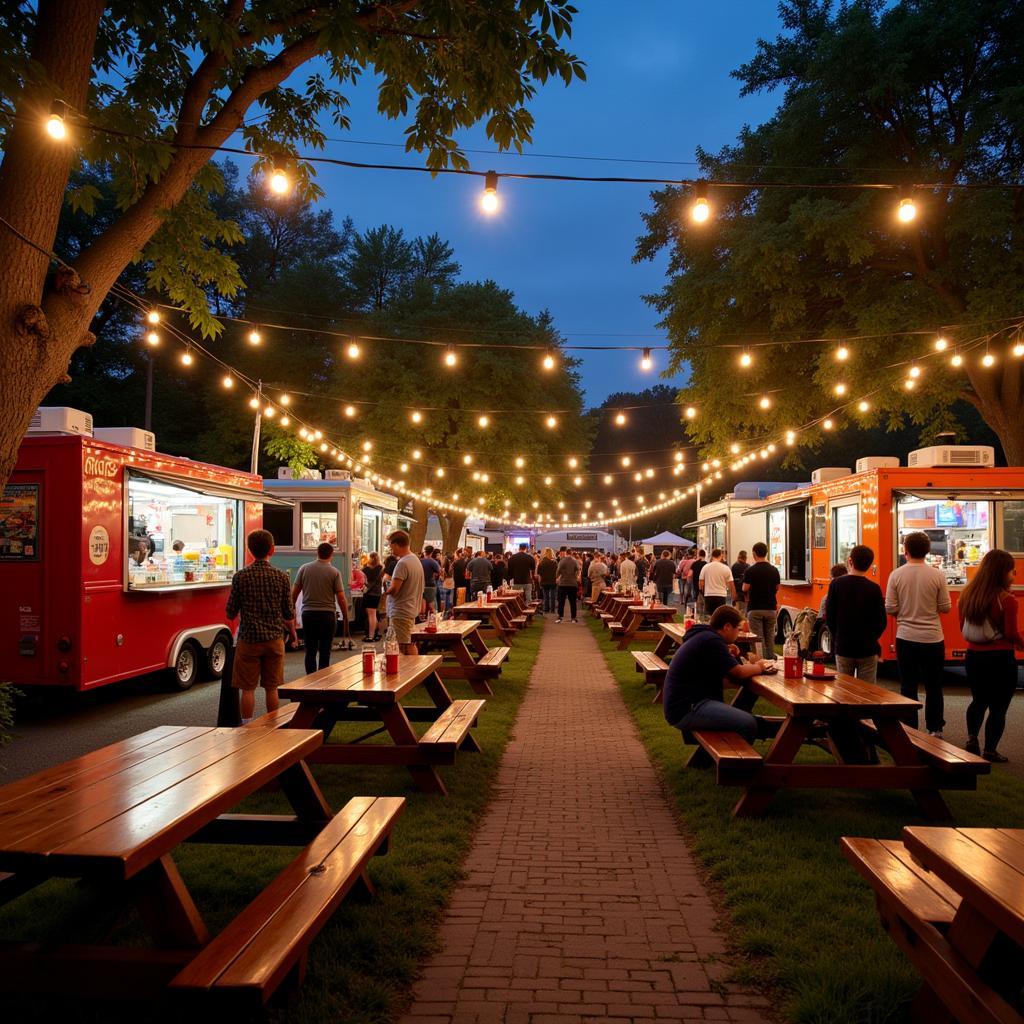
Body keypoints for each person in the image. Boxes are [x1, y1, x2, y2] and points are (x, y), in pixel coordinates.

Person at [663, 605, 773, 743]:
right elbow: (738, 672)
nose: (738, 634)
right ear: (727, 627)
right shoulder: (711, 640)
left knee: (749, 720)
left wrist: (732, 657)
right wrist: (760, 666)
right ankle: (738, 762)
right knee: (748, 723)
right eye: (737, 629)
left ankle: (720, 758)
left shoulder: (705, 637)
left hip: (685, 704)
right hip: (687, 708)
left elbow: (727, 679)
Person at [225, 529, 296, 724]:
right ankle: (273, 725)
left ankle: (247, 725)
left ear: (249, 550)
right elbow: (289, 613)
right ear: (272, 550)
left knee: (247, 688)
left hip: (249, 639)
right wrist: (292, 632)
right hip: (274, 639)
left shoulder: (241, 576)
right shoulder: (281, 577)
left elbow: (230, 611)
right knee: (272, 687)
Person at [959, 549, 1024, 761]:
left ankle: (971, 739)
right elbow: (1011, 633)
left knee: (978, 700)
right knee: (999, 706)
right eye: (1011, 571)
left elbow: (962, 627)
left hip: (973, 656)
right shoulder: (1007, 599)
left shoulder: (968, 595)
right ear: (1002, 572)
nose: (1014, 575)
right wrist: (1021, 643)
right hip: (1000, 659)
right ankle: (990, 750)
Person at [885, 531, 952, 737]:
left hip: (906, 636)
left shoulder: (896, 575)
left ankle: (909, 725)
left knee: (908, 684)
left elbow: (890, 608)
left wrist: (903, 612)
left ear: (905, 551)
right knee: (934, 684)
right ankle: (935, 727)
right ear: (928, 551)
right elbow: (946, 607)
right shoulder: (937, 575)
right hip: (933, 637)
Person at [824, 544, 886, 682]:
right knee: (867, 691)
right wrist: (872, 638)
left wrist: (837, 635)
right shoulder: (874, 589)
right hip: (868, 648)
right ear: (869, 565)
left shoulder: (836, 585)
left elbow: (830, 616)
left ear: (850, 561)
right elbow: (881, 621)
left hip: (844, 645)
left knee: (844, 688)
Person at [292, 542, 348, 674]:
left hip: (308, 614)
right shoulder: (334, 572)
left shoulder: (304, 568)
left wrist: (292, 610)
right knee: (325, 649)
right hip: (327, 615)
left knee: (310, 649)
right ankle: (322, 680)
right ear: (331, 555)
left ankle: (310, 679)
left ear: (317, 553)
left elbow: (294, 592)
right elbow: (341, 597)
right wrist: (345, 614)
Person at [385, 530, 424, 654]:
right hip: (410, 609)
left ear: (396, 544)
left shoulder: (402, 563)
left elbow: (395, 589)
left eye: (391, 546)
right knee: (407, 643)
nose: (391, 550)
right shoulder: (415, 560)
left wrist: (385, 590)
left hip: (401, 611)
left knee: (405, 646)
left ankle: (414, 671)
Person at [743, 542, 781, 661]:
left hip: (755, 608)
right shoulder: (774, 570)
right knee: (770, 635)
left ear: (754, 553)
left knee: (758, 637)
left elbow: (745, 588)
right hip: (770, 607)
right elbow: (777, 587)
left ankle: (762, 661)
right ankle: (770, 658)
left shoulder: (750, 570)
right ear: (766, 553)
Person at [699, 549, 735, 616]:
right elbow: (731, 585)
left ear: (712, 556)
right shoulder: (726, 568)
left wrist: (703, 592)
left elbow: (701, 583)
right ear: (721, 556)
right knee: (720, 617)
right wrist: (734, 597)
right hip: (721, 595)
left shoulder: (705, 567)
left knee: (709, 616)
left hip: (708, 595)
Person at [362, 551, 384, 642]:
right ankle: (375, 634)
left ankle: (370, 636)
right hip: (377, 593)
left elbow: (363, 581)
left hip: (368, 593)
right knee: (375, 614)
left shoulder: (365, 569)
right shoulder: (381, 568)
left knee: (371, 615)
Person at [555, 547, 580, 623]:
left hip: (563, 583)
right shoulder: (575, 561)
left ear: (566, 553)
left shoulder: (562, 561)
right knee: (572, 602)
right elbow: (578, 570)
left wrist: (557, 577)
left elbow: (558, 570)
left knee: (561, 601)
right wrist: (575, 577)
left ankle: (560, 617)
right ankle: (573, 617)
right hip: (573, 583)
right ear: (571, 553)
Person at [421, 544, 441, 615]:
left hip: (421, 585)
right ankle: (434, 619)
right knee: (432, 604)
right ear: (432, 552)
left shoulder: (420, 561)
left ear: (425, 552)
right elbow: (439, 572)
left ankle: (423, 620)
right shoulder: (433, 562)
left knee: (422, 606)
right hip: (430, 585)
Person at [538, 547, 558, 614]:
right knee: (553, 596)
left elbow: (539, 574)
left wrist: (539, 582)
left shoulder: (541, 563)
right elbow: (557, 573)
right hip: (553, 581)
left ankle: (546, 609)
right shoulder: (555, 562)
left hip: (544, 581)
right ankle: (552, 610)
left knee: (545, 596)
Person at [690, 549, 708, 618]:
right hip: (705, 585)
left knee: (697, 599)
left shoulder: (694, 563)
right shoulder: (706, 564)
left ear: (698, 555)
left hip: (696, 584)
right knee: (705, 599)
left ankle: (698, 615)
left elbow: (690, 574)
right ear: (705, 555)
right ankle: (705, 614)